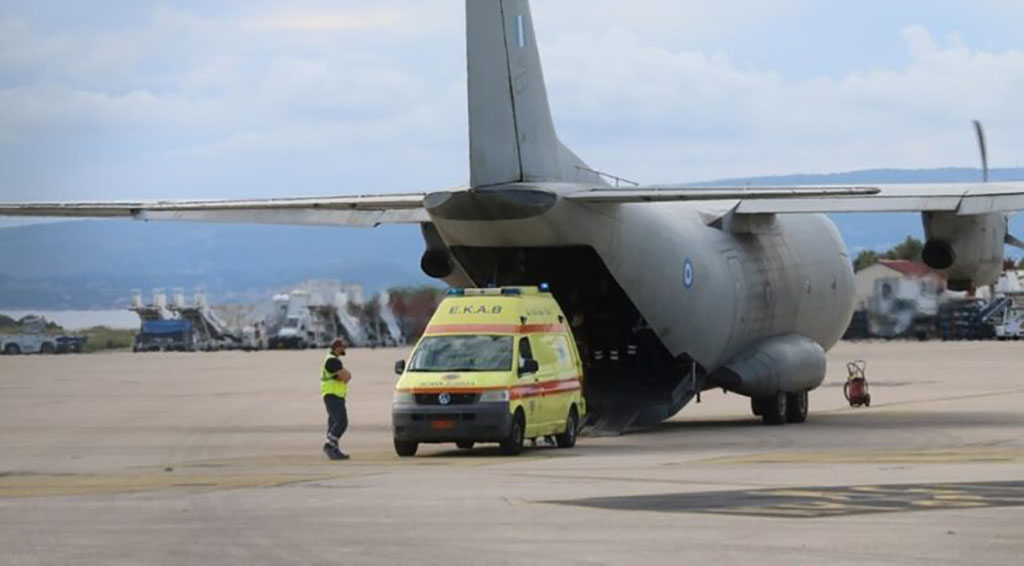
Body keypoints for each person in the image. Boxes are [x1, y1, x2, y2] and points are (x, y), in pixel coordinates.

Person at [321, 338, 352, 460]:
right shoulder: (332, 361)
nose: (345, 349)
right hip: (333, 395)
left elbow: (343, 376)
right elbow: (346, 377)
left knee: (334, 422)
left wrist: (343, 375)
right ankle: (329, 446)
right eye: (343, 347)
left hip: (334, 395)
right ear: (338, 347)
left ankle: (334, 449)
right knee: (341, 422)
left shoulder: (332, 360)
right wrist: (345, 374)